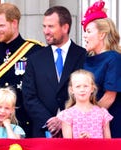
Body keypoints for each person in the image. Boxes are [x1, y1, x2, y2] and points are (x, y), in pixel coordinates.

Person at [0, 3, 43, 138]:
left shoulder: (35, 51)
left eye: (1, 26)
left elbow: (39, 91)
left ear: (14, 23)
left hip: (25, 123)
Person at [22, 6, 86, 137]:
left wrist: (64, 119)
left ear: (65, 28)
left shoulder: (83, 55)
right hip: (43, 131)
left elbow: (87, 93)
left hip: (76, 131)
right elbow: (29, 97)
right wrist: (50, 121)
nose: (46, 31)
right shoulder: (35, 59)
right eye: (44, 26)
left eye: (51, 26)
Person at [81, 0, 121, 138]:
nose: (84, 35)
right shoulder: (85, 58)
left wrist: (88, 119)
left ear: (102, 34)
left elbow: (109, 97)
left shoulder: (114, 58)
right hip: (89, 125)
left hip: (109, 125)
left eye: (88, 31)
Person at [57, 69, 113, 138]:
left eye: (86, 86)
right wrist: (80, 142)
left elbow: (108, 144)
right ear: (71, 90)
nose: (82, 90)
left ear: (92, 89)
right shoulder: (67, 115)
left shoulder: (102, 113)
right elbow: (67, 145)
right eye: (78, 86)